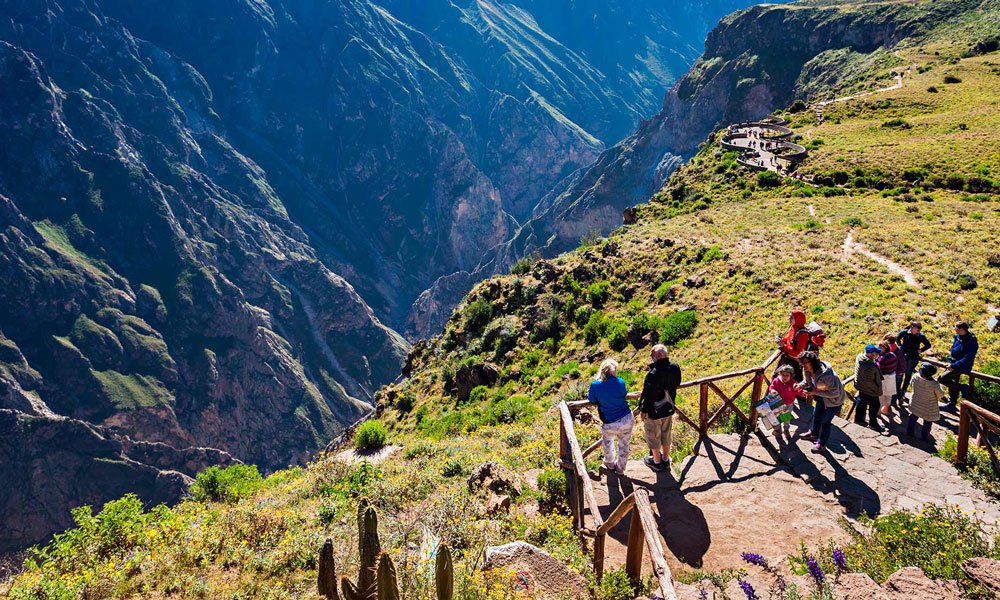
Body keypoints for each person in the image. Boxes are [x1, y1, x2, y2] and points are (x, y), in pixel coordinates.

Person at [586, 358, 634, 474]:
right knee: (624, 445)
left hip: (610, 421)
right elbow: (624, 393)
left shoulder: (595, 385)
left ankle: (610, 463)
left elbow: (591, 400)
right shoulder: (620, 382)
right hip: (627, 418)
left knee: (607, 441)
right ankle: (621, 468)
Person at [639, 345, 681, 471]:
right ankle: (666, 459)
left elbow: (647, 394)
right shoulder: (675, 368)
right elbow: (677, 383)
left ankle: (656, 462)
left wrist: (643, 410)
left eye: (652, 356)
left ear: (657, 356)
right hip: (668, 407)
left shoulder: (653, 373)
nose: (651, 359)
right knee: (666, 434)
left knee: (653, 436)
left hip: (654, 411)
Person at [798, 351, 846, 453]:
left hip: (834, 401)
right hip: (822, 396)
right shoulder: (808, 370)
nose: (803, 365)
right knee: (816, 415)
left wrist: (815, 392)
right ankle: (813, 433)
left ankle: (821, 444)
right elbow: (809, 381)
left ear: (813, 362)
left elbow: (835, 393)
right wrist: (800, 385)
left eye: (805, 362)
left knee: (825, 421)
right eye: (801, 362)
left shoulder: (827, 376)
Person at [940, 321, 979, 411]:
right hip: (953, 363)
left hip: (961, 366)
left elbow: (968, 357)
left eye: (956, 328)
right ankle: (951, 404)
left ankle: (963, 388)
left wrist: (954, 365)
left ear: (961, 329)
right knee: (952, 384)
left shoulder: (971, 341)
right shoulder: (958, 336)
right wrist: (950, 361)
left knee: (942, 378)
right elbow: (954, 348)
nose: (954, 329)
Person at [907, 363, 945, 443]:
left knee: (913, 417)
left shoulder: (915, 376)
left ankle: (909, 432)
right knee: (927, 423)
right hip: (928, 407)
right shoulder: (934, 384)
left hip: (916, 402)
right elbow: (940, 395)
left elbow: (911, 384)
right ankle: (924, 437)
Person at [853, 345, 884, 433]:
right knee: (875, 405)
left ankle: (859, 420)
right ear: (871, 354)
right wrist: (877, 389)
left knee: (861, 402)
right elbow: (870, 381)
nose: (877, 355)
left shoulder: (860, 357)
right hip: (870, 390)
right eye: (876, 354)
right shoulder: (870, 366)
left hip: (861, 387)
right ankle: (873, 424)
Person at [897, 322, 931, 401]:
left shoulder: (921, 336)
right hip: (903, 356)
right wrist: (900, 346)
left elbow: (928, 345)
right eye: (917, 328)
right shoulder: (905, 332)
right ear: (912, 327)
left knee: (908, 374)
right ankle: (897, 392)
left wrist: (920, 350)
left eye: (920, 328)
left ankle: (903, 391)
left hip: (913, 357)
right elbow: (898, 337)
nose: (919, 330)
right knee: (900, 373)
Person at [776, 310, 811, 382]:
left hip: (795, 363)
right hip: (788, 359)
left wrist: (783, 346)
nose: (789, 318)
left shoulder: (802, 334)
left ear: (797, 319)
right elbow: (788, 339)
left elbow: (798, 353)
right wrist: (782, 340)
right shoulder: (793, 328)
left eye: (791, 317)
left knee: (794, 383)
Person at [877, 339, 900, 419]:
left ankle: (879, 411)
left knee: (880, 395)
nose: (879, 349)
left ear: (885, 348)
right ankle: (886, 409)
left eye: (880, 348)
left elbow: (878, 368)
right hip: (891, 376)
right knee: (889, 394)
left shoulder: (881, 358)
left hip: (883, 378)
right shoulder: (893, 354)